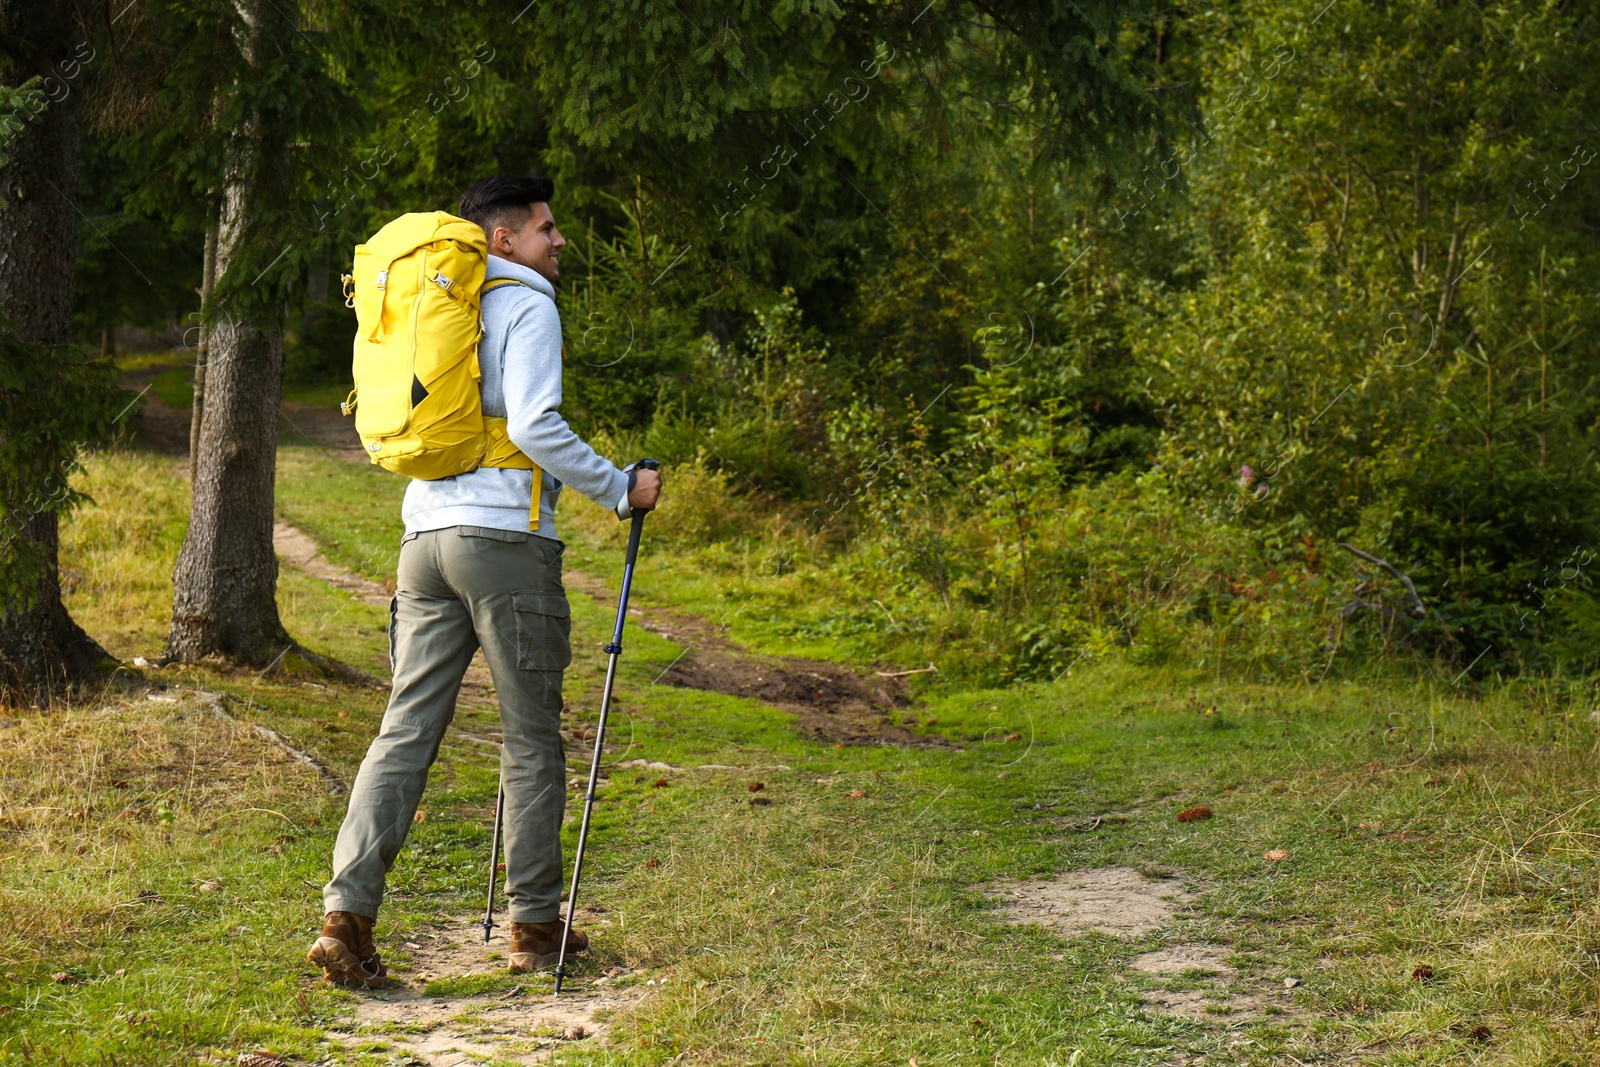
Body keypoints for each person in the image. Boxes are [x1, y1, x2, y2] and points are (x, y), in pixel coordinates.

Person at [307, 175, 663, 988]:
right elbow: (536, 423)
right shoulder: (527, 302)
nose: (558, 241)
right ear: (501, 239)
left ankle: (345, 916)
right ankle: (535, 927)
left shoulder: (436, 299)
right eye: (545, 229)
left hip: (423, 540)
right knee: (531, 736)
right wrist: (617, 485)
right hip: (504, 542)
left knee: (405, 729)